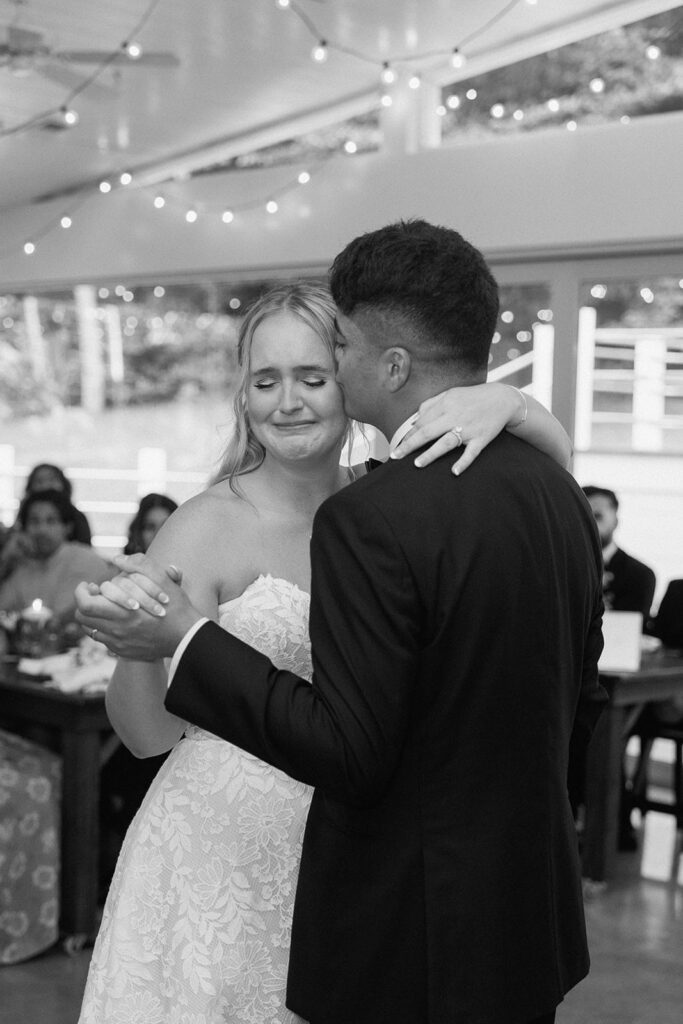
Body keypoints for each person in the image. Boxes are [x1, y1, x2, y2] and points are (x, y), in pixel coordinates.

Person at [74, 268, 577, 1024]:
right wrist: (139, 635)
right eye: (265, 380)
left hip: (360, 858)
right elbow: (146, 738)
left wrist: (509, 402)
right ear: (242, 395)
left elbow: (541, 474)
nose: (288, 401)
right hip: (220, 855)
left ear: (349, 376)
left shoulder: (393, 501)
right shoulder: (204, 523)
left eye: (311, 375)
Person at [0, 489, 112, 632]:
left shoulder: (85, 560)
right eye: (34, 521)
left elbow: (60, 619)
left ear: (67, 527)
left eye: (51, 521)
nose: (42, 530)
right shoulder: (21, 562)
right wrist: (5, 558)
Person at [0, 463, 92, 586]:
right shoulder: (18, 538)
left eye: (51, 521)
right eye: (39, 481)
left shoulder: (82, 559)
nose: (46, 485)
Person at [582, 486, 656, 622]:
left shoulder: (640, 575)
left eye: (598, 516)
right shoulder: (556, 569)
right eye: (581, 517)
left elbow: (629, 631)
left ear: (615, 522)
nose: (589, 523)